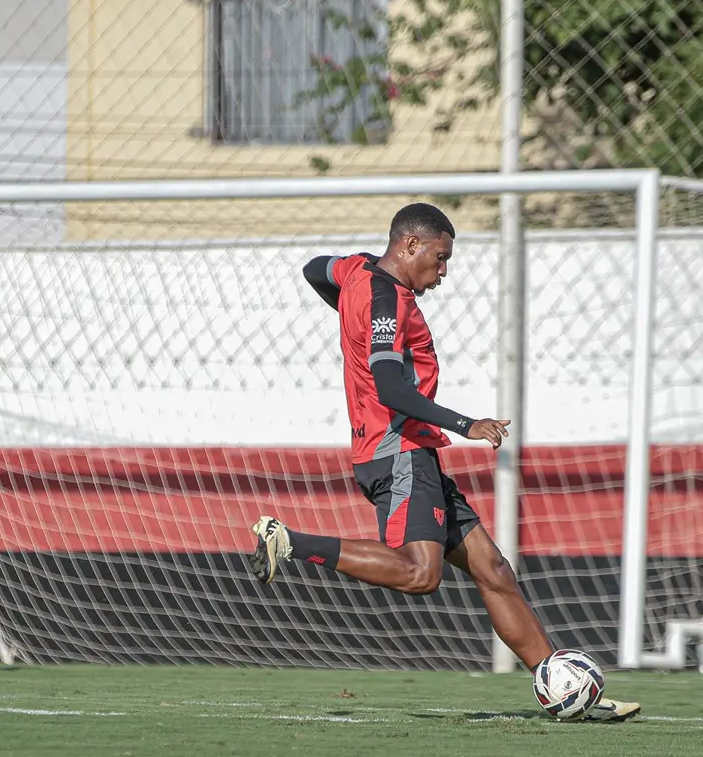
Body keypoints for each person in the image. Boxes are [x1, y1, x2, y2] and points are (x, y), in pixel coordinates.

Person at [249, 203, 640, 721]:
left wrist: (350, 317)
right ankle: (291, 542)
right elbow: (390, 386)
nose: (443, 272)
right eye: (439, 258)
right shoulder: (387, 299)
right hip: (400, 451)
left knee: (494, 568)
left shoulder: (358, 272)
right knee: (420, 575)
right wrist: (466, 424)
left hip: (409, 454)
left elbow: (314, 268)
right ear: (409, 245)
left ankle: (562, 684)